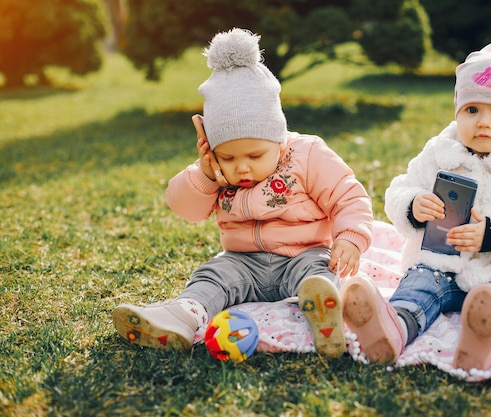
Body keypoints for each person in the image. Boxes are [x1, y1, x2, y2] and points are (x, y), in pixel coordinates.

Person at [112, 28, 373, 358]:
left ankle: (321, 309)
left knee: (319, 273)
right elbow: (185, 209)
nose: (242, 168)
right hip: (242, 263)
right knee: (212, 276)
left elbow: (348, 197)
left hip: (302, 254)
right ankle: (182, 316)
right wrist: (206, 174)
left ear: (278, 141)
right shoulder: (214, 170)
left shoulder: (306, 154)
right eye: (229, 157)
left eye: (254, 156)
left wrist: (349, 237)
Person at [340, 41, 491, 370]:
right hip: (443, 264)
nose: (483, 122)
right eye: (471, 109)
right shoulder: (441, 151)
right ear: (457, 111)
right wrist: (413, 205)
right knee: (420, 283)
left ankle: (485, 339)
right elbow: (400, 187)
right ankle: (393, 327)